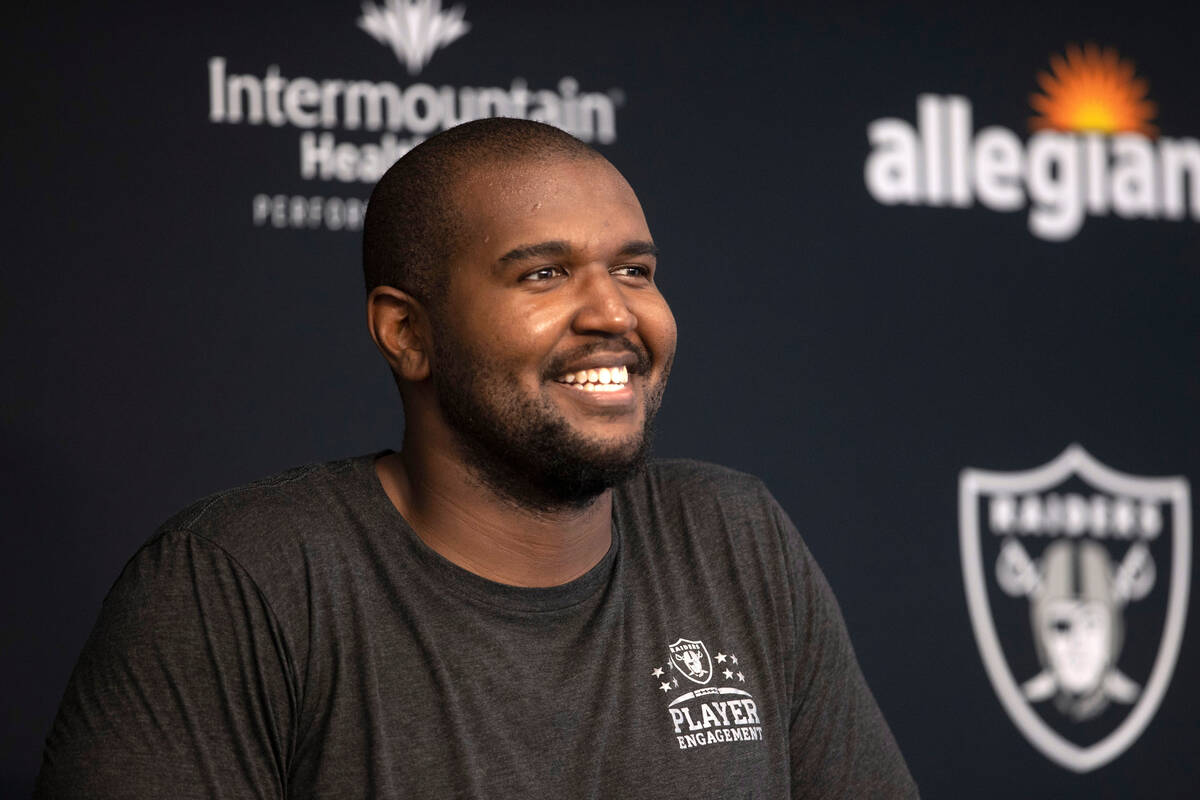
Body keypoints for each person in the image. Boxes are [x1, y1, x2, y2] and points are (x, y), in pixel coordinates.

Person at [36, 118, 918, 798]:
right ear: (407, 332)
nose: (614, 313)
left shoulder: (735, 537)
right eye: (543, 274)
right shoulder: (234, 584)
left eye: (637, 271)